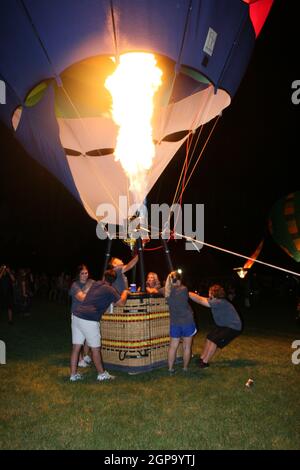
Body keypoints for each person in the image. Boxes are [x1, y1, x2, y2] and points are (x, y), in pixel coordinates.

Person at [70, 269, 128, 382]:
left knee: (76, 348)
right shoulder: (110, 289)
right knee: (96, 349)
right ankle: (101, 374)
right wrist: (125, 292)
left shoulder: (96, 284)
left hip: (77, 316)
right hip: (89, 319)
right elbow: (121, 303)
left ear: (103, 277)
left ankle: (73, 375)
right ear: (113, 280)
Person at [189, 284, 242, 368]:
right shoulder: (217, 301)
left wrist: (187, 293)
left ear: (213, 293)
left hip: (233, 327)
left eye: (209, 292)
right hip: (224, 325)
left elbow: (200, 300)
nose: (208, 294)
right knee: (209, 337)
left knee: (214, 341)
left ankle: (205, 362)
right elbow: (202, 299)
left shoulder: (219, 302)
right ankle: (202, 358)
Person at [165, 270, 197, 374]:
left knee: (172, 347)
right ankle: (185, 368)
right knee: (187, 346)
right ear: (179, 280)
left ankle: (170, 369)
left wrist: (169, 279)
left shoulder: (167, 292)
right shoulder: (184, 289)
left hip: (175, 323)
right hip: (187, 321)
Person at [69, 264, 94, 368]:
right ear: (78, 274)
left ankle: (85, 355)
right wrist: (89, 286)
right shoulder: (75, 285)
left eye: (86, 273)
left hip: (88, 314)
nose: (85, 275)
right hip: (77, 314)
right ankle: (79, 360)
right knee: (78, 340)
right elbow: (82, 298)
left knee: (88, 338)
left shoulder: (91, 283)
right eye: (82, 273)